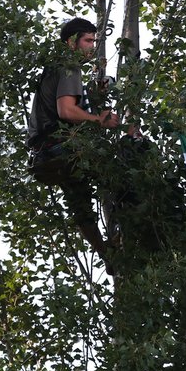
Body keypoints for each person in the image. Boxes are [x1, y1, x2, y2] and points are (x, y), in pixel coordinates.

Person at [27, 17, 121, 270]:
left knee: (80, 205)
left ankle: (107, 256)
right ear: (71, 42)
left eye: (94, 41)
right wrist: (98, 119)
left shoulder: (54, 68)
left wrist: (93, 95)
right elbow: (67, 111)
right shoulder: (70, 67)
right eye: (88, 40)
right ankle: (123, 233)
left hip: (47, 153)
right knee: (124, 167)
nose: (92, 46)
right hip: (62, 147)